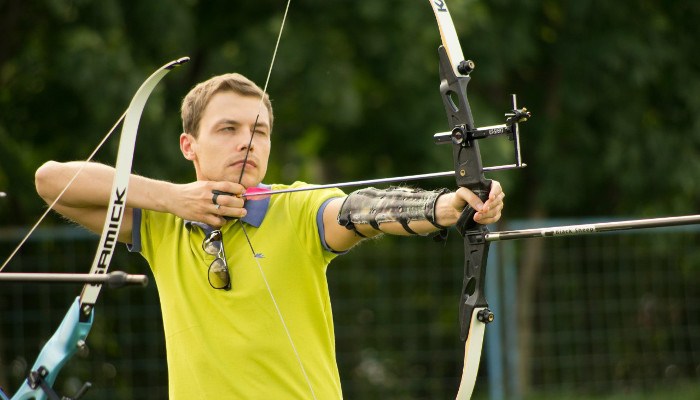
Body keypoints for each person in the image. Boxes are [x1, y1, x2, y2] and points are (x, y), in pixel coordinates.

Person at [34, 72, 505, 399]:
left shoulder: (297, 208)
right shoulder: (160, 224)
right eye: (228, 129)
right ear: (188, 146)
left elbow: (358, 212)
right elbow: (51, 181)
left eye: (259, 131)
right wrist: (175, 199)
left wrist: (444, 206)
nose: (247, 141)